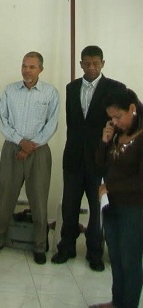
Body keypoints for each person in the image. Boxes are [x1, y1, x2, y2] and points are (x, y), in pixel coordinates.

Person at [52, 46, 126, 271]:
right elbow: (73, 124)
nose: (91, 67)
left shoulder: (115, 89)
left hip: (100, 159)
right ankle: (66, 247)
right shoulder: (71, 88)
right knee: (70, 206)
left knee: (97, 208)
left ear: (103, 63)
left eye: (95, 63)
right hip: (74, 157)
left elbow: (120, 123)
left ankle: (95, 252)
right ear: (81, 64)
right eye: (87, 63)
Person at [0, 52, 59, 264]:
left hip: (39, 151)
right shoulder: (10, 91)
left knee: (38, 199)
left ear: (40, 70)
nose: (27, 70)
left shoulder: (50, 93)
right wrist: (21, 142)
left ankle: (39, 245)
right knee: (5, 196)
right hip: (13, 150)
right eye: (24, 66)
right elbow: (4, 122)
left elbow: (52, 124)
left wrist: (30, 146)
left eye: (32, 67)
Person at [90, 89, 142, 308]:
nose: (115, 122)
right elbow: (100, 164)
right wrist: (104, 141)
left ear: (132, 108)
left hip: (134, 208)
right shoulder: (117, 134)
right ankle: (117, 302)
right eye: (111, 118)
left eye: (118, 117)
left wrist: (111, 188)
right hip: (111, 205)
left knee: (130, 260)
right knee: (116, 257)